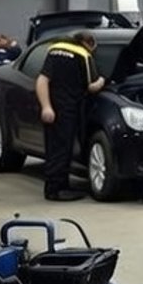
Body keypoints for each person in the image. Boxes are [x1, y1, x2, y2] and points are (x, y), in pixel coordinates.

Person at [36, 31, 104, 201]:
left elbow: (42, 80)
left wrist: (46, 107)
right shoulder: (83, 55)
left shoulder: (54, 49)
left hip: (53, 106)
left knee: (54, 149)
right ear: (88, 43)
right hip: (68, 109)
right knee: (62, 150)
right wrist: (104, 80)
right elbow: (92, 87)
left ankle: (58, 186)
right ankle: (55, 191)